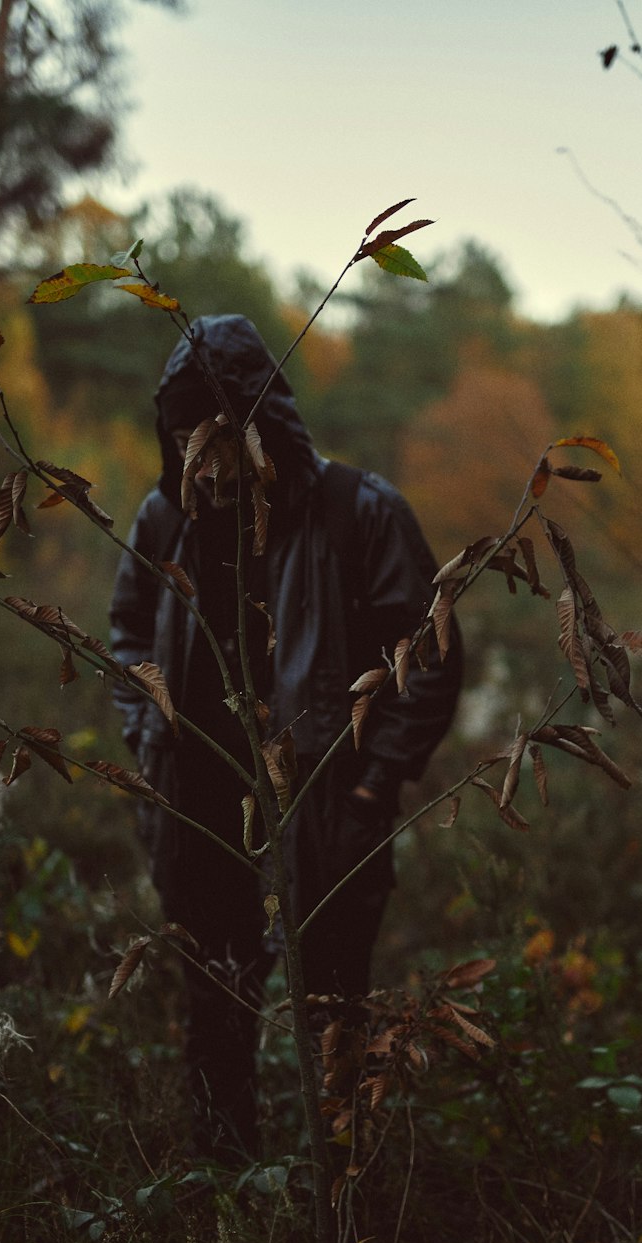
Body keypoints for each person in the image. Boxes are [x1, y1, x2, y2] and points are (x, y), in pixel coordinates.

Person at [110, 315, 461, 1159]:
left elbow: (430, 655)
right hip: (199, 818)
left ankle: (341, 1204)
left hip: (331, 816)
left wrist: (374, 787)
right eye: (185, 434)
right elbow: (125, 634)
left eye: (222, 430)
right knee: (215, 1012)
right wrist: (148, 734)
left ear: (264, 426)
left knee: (335, 1019)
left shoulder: (360, 514)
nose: (205, 457)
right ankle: (226, 1185)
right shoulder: (163, 520)